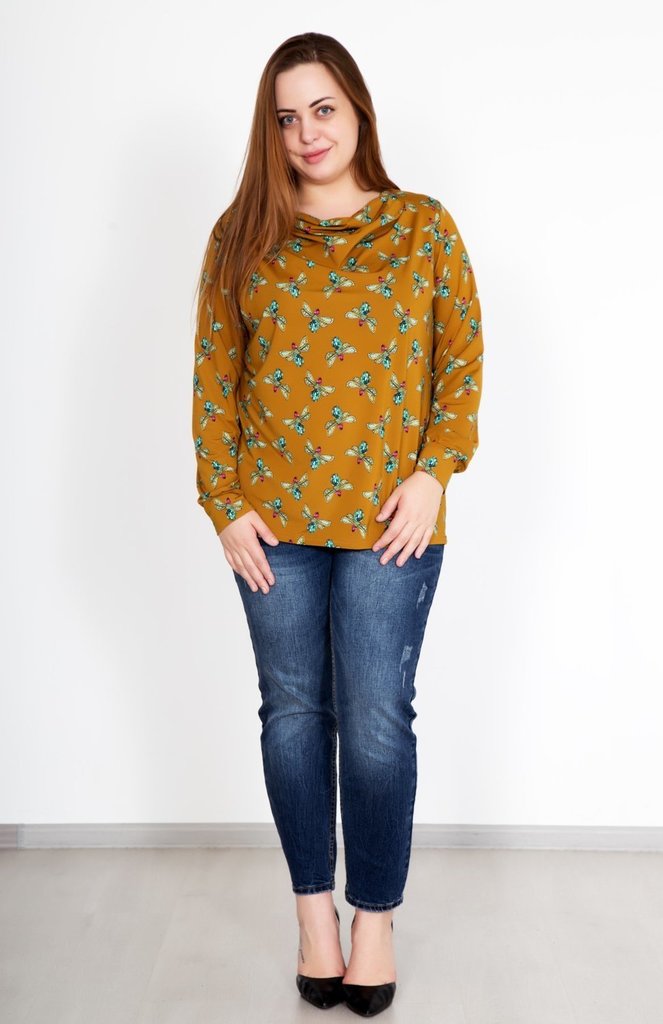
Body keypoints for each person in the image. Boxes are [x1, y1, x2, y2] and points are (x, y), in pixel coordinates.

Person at [191, 30, 484, 1017]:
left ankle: (374, 920)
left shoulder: (422, 228)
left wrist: (435, 474)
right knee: (290, 715)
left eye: (322, 109)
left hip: (391, 523)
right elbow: (214, 378)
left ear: (357, 109)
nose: (305, 133)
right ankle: (312, 912)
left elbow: (460, 364)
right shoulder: (242, 236)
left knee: (376, 721)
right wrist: (224, 501)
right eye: (286, 117)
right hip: (271, 526)